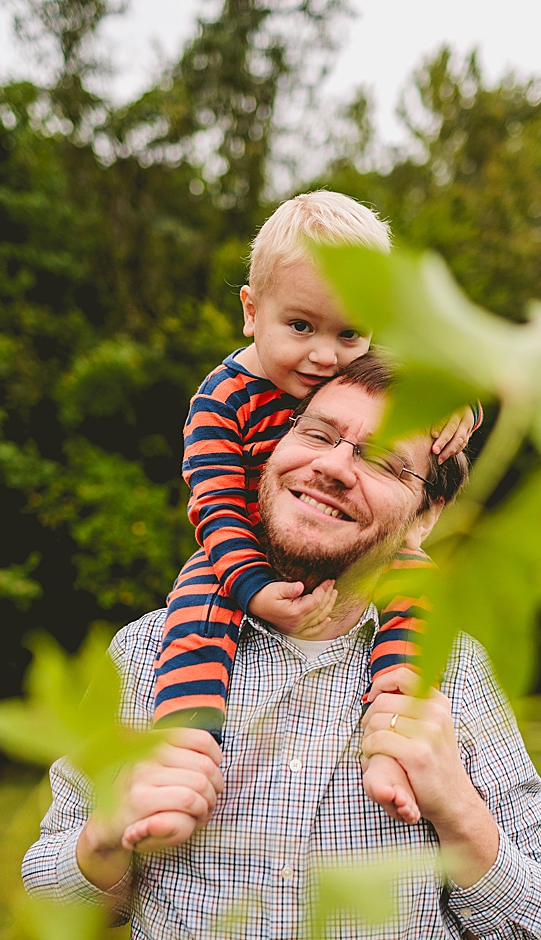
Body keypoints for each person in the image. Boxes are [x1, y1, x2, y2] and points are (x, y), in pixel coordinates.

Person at [23, 356, 541, 940]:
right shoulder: (145, 655)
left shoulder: (457, 669)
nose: (336, 466)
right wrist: (106, 832)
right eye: (318, 434)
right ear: (269, 453)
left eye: (384, 460)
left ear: (426, 516)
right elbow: (47, 901)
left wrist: (458, 807)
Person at [153, 191, 478, 826]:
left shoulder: (339, 380)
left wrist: (458, 407)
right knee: (195, 610)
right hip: (236, 549)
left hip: (351, 558)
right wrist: (251, 587)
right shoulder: (221, 402)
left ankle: (395, 729)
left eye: (349, 333)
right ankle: (180, 752)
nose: (325, 355)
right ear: (251, 311)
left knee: (419, 585)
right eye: (301, 327)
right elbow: (216, 506)